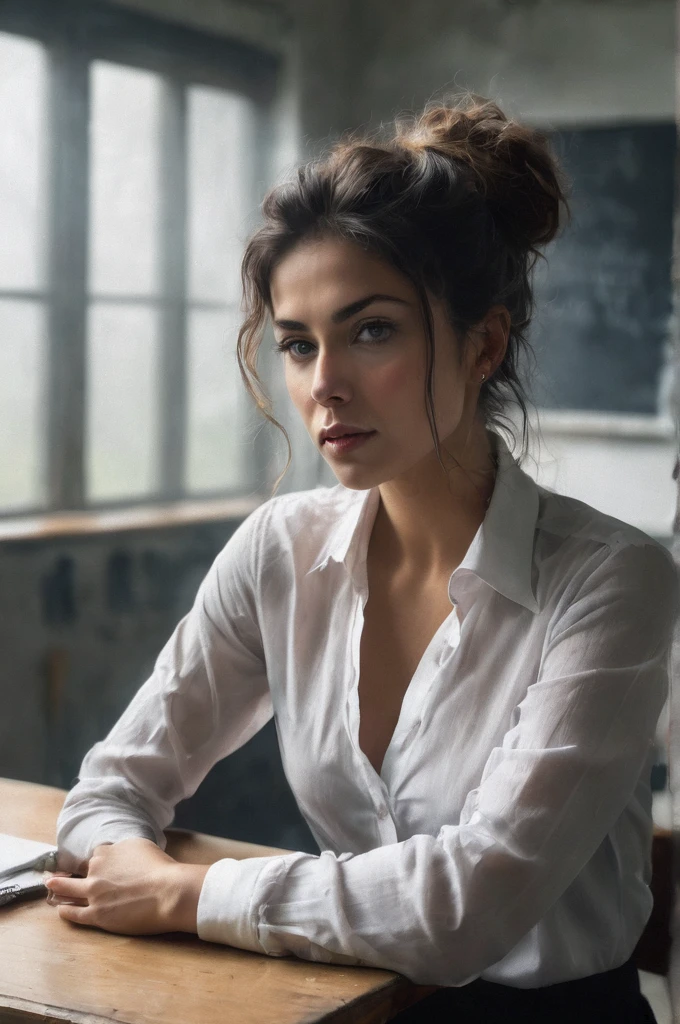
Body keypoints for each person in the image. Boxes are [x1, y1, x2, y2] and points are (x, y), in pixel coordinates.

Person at [46, 95, 676, 1023]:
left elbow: (464, 908)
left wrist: (187, 893)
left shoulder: (610, 581)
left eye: (371, 329)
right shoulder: (279, 551)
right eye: (299, 345)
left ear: (483, 345)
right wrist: (122, 856)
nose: (324, 384)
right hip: (340, 1004)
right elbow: (108, 791)